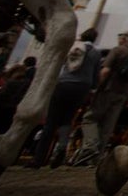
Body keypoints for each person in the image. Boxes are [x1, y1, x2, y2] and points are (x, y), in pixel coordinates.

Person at [29, 27, 101, 168]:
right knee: (67, 119)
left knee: (51, 121)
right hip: (82, 88)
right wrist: (93, 88)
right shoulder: (96, 53)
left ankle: (39, 158)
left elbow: (58, 64)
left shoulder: (73, 47)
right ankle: (62, 146)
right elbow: (96, 75)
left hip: (64, 83)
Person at [72, 30, 128, 165]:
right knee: (108, 126)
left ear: (124, 39)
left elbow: (105, 71)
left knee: (89, 118)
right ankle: (96, 159)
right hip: (123, 95)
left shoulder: (117, 50)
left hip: (108, 90)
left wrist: (96, 88)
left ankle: (90, 146)